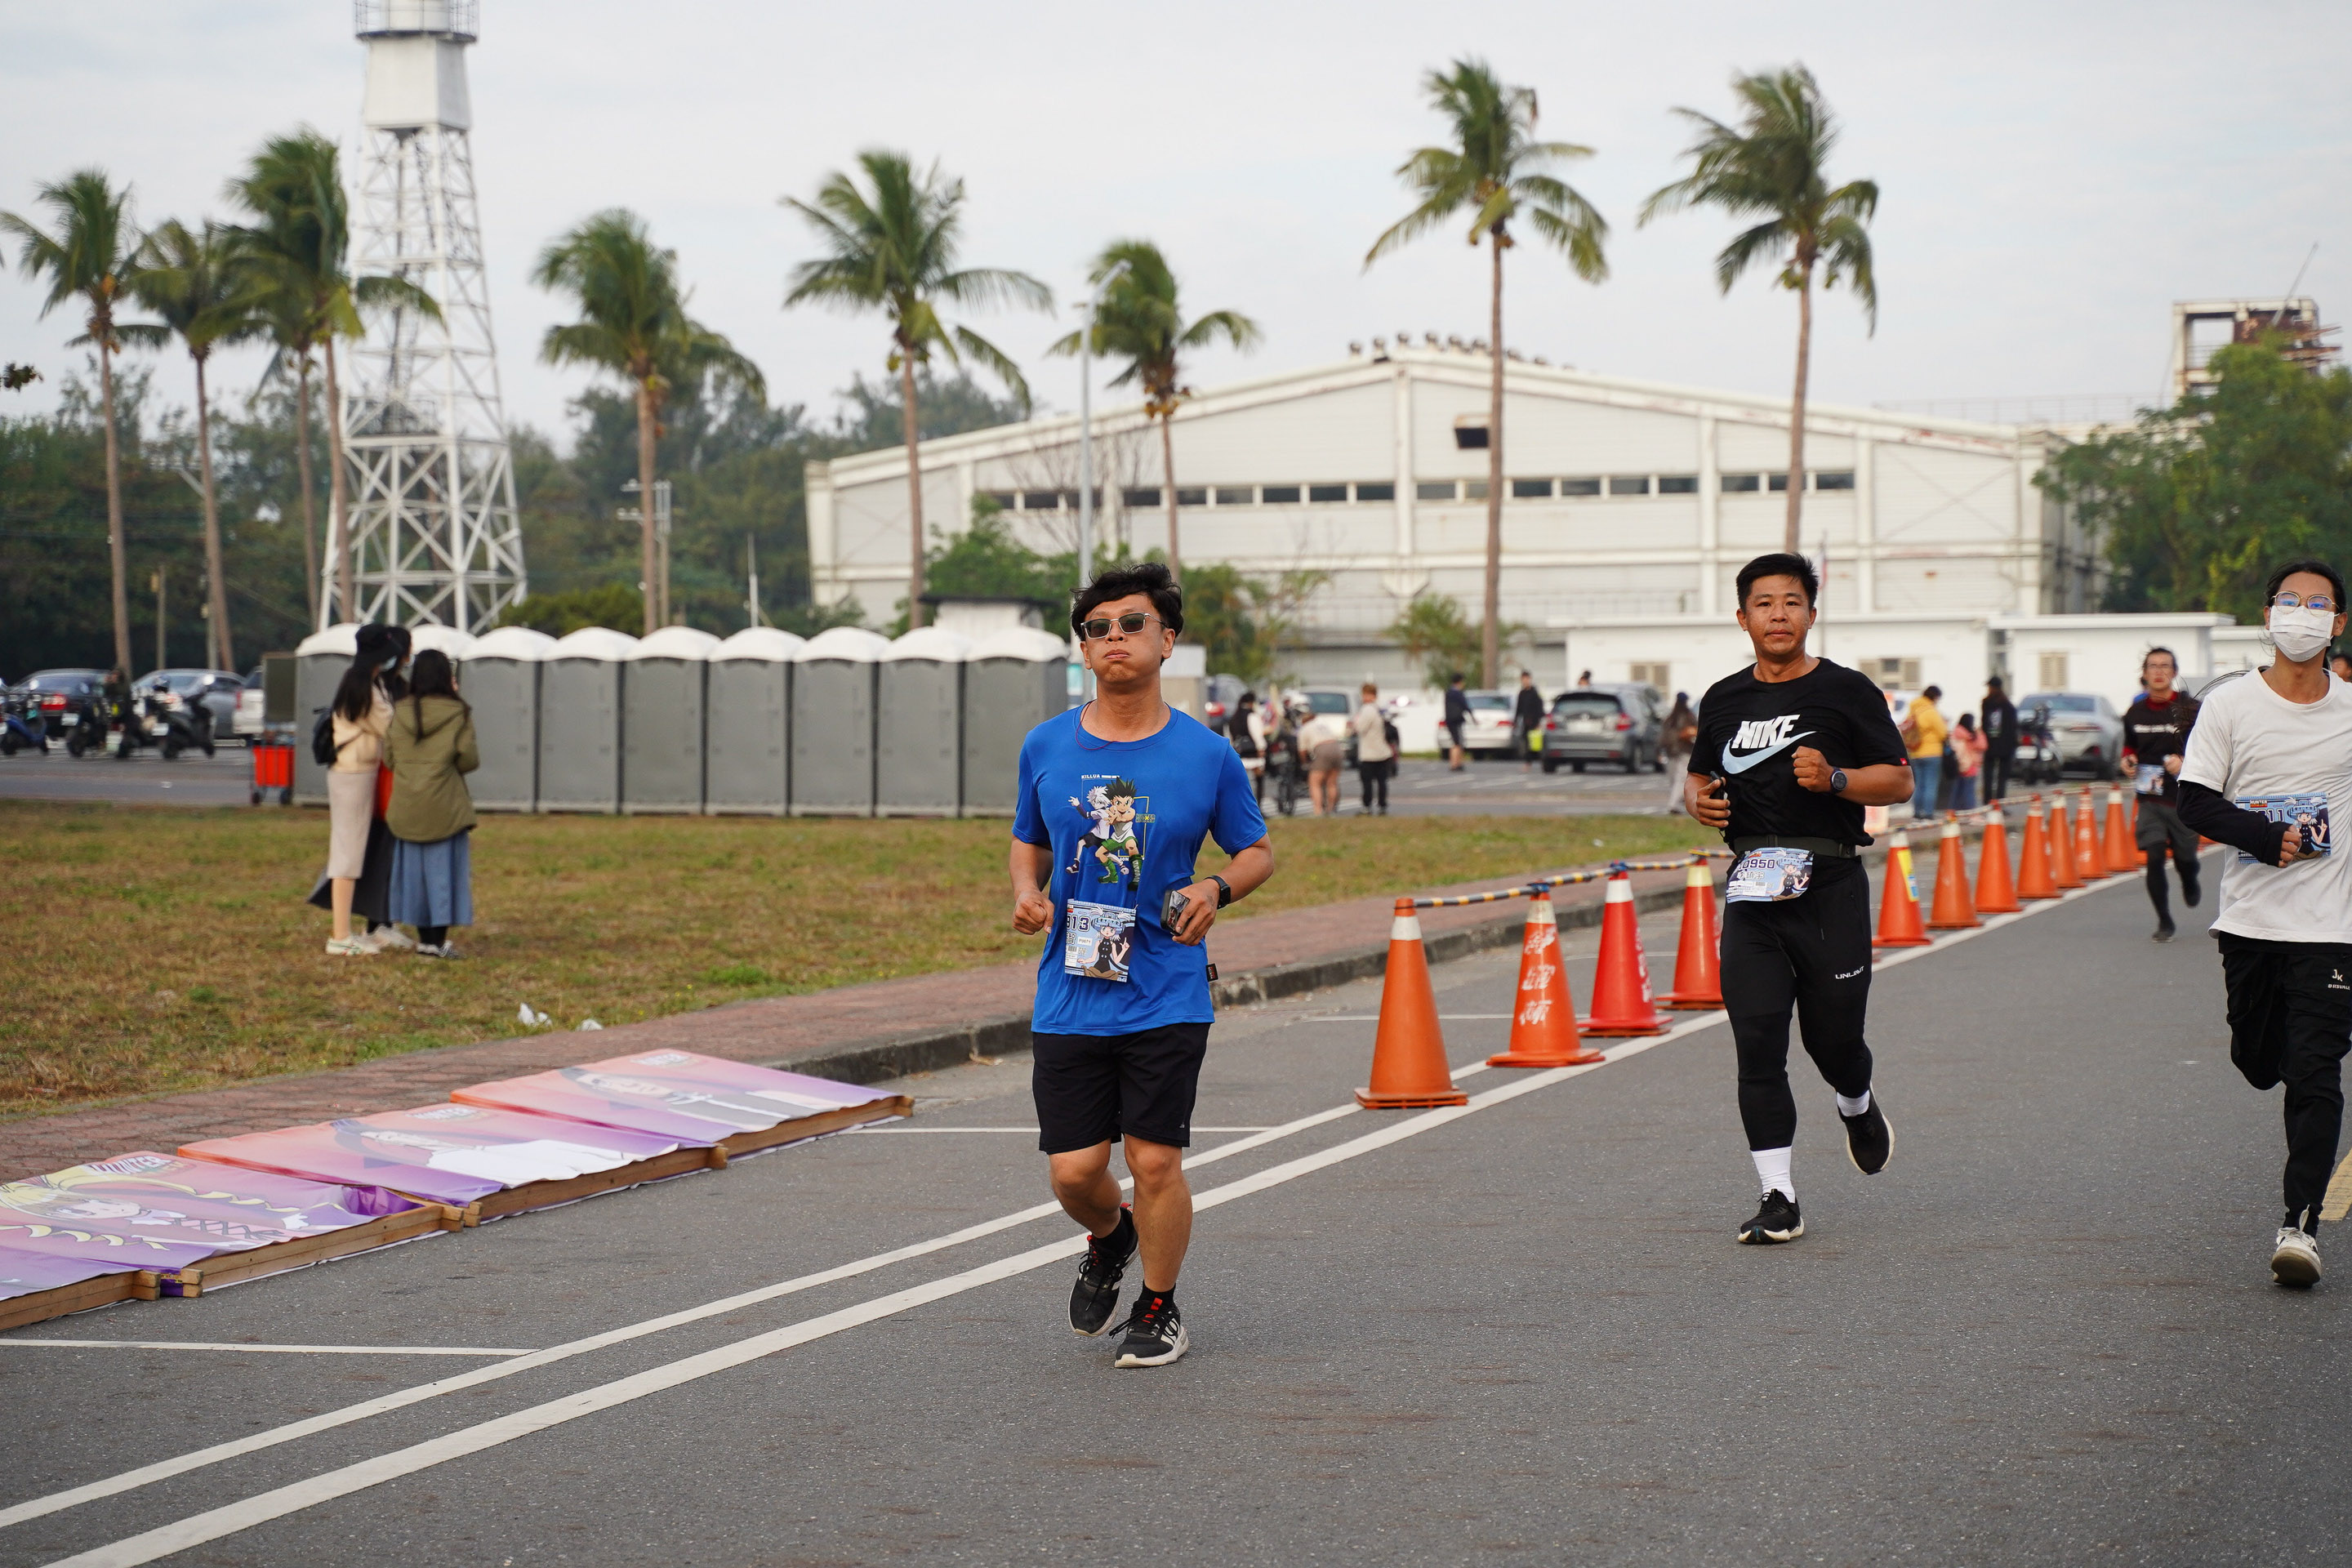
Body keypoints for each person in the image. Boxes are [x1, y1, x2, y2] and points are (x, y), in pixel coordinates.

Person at [1009, 560, 1275, 1367]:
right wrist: (1026, 893)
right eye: (1098, 628)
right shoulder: (1046, 745)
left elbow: (1256, 851)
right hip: (1072, 987)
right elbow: (1028, 841)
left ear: (1168, 640)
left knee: (1154, 1158)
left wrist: (1216, 888)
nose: (1114, 637)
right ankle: (1110, 1235)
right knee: (1073, 1172)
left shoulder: (1206, 753)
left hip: (1166, 984)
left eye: (1132, 623)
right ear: (1084, 649)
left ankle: (1160, 1306)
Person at [1686, 552, 1911, 1246]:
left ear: (1811, 614)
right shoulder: (1723, 699)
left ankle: (1857, 1102)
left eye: (1791, 602)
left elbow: (1898, 781)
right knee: (1757, 1041)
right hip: (1753, 888)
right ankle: (1777, 1195)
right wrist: (1697, 801)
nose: (1778, 614)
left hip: (1830, 886)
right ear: (1742, 618)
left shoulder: (1847, 691)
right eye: (1764, 603)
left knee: (1833, 1041)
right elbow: (1698, 776)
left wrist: (1837, 779)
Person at [2176, 561, 2352, 1287]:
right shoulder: (2230, 706)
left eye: (2318, 603)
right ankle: (2272, 1052)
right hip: (2252, 922)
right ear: (2269, 613)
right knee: (2259, 1061)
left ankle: (2300, 1226)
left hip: (2331, 925)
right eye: (2290, 600)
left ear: (2338, 623)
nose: (2302, 612)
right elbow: (2194, 801)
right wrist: (2260, 833)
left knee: (2316, 1073)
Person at [383, 648, 479, 960]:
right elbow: (469, 759)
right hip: (445, 805)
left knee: (414, 876)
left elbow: (389, 758)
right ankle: (438, 942)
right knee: (444, 875)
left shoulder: (400, 711)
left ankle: (424, 940)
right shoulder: (458, 713)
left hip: (407, 805)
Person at [323, 626, 398, 956]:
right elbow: (390, 726)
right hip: (353, 773)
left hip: (356, 771)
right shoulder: (365, 686)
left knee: (351, 851)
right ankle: (340, 936)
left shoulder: (358, 679)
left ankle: (346, 932)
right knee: (347, 853)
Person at [2120, 646, 2203, 942]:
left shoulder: (2190, 709)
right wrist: (2127, 761)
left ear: (2175, 672)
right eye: (2153, 666)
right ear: (2144, 673)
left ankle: (2190, 877)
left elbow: (2209, 747)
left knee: (2185, 858)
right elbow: (2130, 746)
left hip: (2183, 796)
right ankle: (2165, 921)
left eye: (2165, 666)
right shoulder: (2135, 712)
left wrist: (2185, 761)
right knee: (2154, 856)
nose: (2158, 672)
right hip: (2150, 796)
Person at [1903, 685, 1947, 820]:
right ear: (1935, 697)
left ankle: (1917, 813)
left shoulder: (1913, 711)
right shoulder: (1931, 711)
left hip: (1915, 753)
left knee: (1919, 785)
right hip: (1932, 753)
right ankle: (1928, 813)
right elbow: (1943, 733)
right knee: (1930, 784)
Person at [1351, 682, 1394, 815]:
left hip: (1370, 752)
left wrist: (1354, 723)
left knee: (1367, 782)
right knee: (1382, 782)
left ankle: (1367, 807)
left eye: (1364, 694)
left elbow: (1360, 728)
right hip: (1384, 751)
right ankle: (1382, 806)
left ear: (1369, 695)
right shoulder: (1380, 709)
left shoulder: (1368, 709)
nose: (1363, 697)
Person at [1299, 702, 1348, 817]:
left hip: (1322, 749)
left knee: (1315, 782)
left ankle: (1318, 810)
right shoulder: (1322, 724)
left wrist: (1305, 762)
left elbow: (1302, 750)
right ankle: (1331, 810)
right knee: (1332, 782)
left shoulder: (1305, 728)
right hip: (1337, 748)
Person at [1980, 676, 2019, 802]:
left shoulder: (1986, 703)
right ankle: (1999, 802)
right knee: (2002, 777)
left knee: (1988, 775)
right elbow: (2013, 726)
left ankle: (1988, 801)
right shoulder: (2008, 705)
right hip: (2005, 745)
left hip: (1990, 744)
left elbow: (1984, 724)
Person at [1660, 692, 1699, 813]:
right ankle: (1678, 800)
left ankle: (1673, 804)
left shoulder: (1676, 717)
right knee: (1676, 779)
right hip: (1676, 751)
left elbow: (1696, 731)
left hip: (1681, 751)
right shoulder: (1679, 717)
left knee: (1680, 778)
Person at [1229, 691, 1265, 804]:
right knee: (1258, 780)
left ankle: (1241, 805)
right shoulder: (1252, 716)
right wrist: (1261, 748)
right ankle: (1258, 806)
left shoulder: (1233, 717)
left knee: (1241, 781)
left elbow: (1230, 737)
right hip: (1253, 752)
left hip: (1239, 752)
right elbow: (1257, 733)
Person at [1949, 714, 1984, 813]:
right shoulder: (1971, 736)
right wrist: (1979, 732)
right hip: (1970, 765)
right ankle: (1970, 812)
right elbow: (1983, 745)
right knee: (1969, 790)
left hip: (1958, 764)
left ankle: (1953, 811)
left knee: (1957, 790)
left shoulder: (1955, 734)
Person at [1511, 670, 1544, 773]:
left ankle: (1543, 761)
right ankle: (1528, 763)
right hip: (1525, 722)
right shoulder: (1521, 693)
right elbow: (1518, 709)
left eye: (1526, 679)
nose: (1525, 681)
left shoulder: (1534, 692)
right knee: (1526, 743)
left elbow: (1540, 708)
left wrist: (1538, 722)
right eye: (1523, 679)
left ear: (1530, 679)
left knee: (1536, 744)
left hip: (1534, 722)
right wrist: (1515, 722)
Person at [1442, 673, 1468, 772]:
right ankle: (1456, 763)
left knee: (1454, 741)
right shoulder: (1458, 693)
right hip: (1457, 720)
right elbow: (1465, 706)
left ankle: (1454, 762)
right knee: (1458, 742)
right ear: (1460, 682)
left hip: (1449, 720)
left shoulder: (1448, 693)